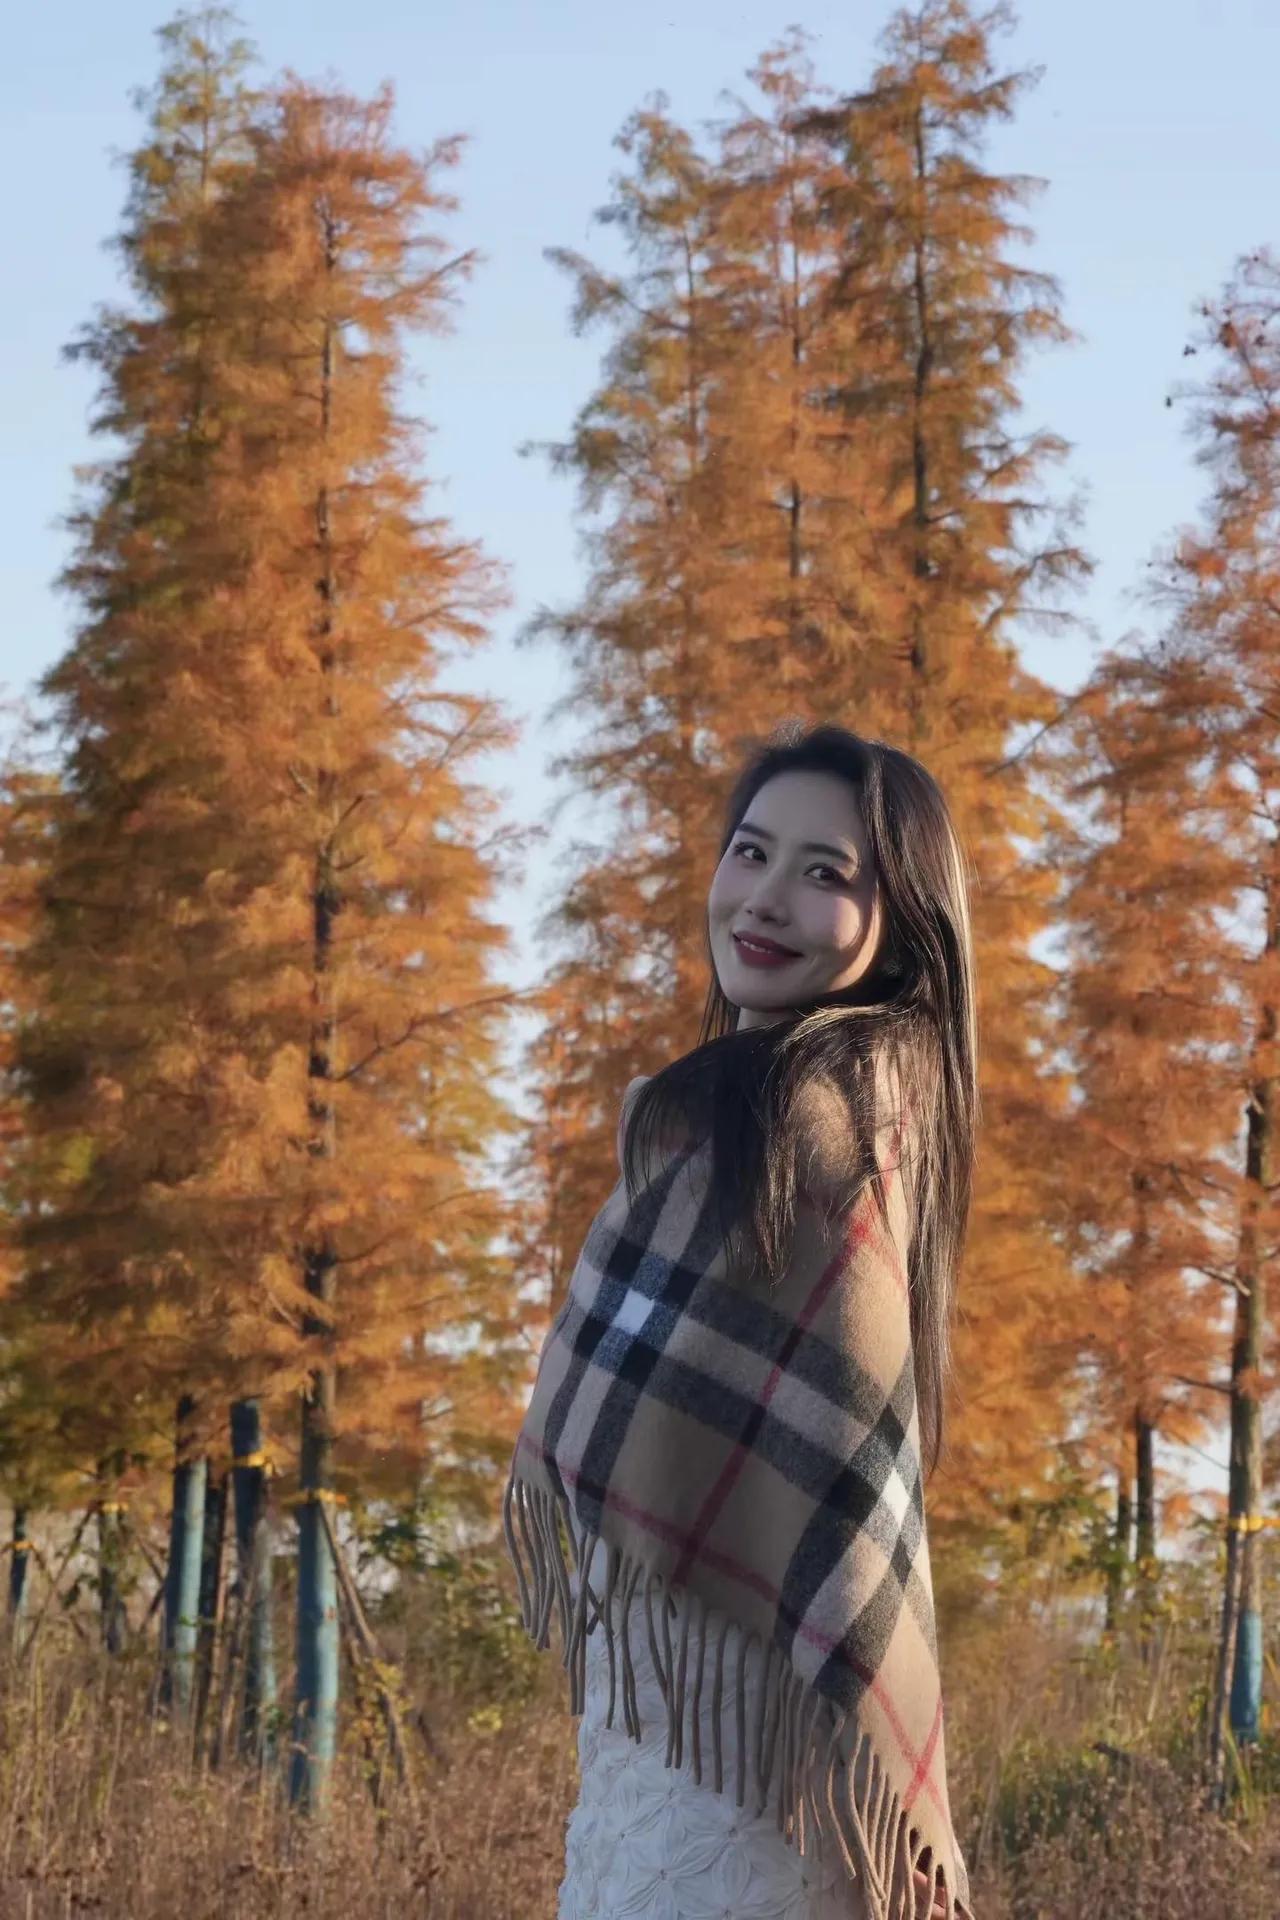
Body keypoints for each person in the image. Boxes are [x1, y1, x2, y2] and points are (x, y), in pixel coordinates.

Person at [506, 721, 978, 1920]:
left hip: (727, 1739)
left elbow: (832, 1465)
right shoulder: (859, 1106)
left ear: (902, 927)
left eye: (825, 873)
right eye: (751, 852)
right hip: (702, 1733)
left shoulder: (807, 1128)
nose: (763, 898)